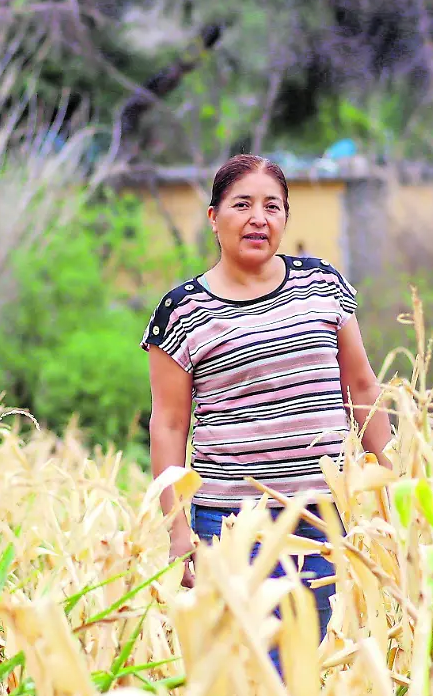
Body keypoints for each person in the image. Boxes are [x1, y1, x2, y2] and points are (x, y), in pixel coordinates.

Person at [143, 153, 392, 662]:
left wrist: (394, 485)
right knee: (255, 669)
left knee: (302, 662)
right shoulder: (182, 310)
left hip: (320, 516)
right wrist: (176, 530)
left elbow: (361, 387)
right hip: (235, 526)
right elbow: (168, 425)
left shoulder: (322, 284)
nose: (259, 218)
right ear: (213, 218)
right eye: (243, 204)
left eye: (273, 207)